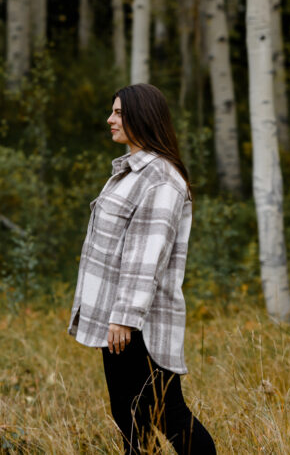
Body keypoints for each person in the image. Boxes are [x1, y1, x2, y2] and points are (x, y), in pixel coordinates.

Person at [68, 83, 215, 454]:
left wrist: (125, 317)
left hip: (138, 323)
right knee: (129, 416)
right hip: (118, 319)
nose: (110, 120)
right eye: (112, 111)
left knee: (170, 416)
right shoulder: (131, 173)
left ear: (141, 117)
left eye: (118, 113)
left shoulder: (161, 179)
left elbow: (146, 254)